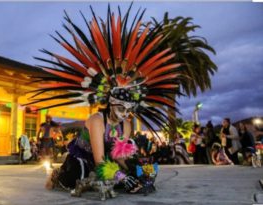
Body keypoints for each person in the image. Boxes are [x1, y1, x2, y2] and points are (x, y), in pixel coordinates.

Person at [28, 6, 182, 196]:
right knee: (82, 171)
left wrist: (135, 170)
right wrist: (123, 178)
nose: (125, 113)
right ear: (110, 103)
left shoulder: (126, 125)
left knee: (132, 170)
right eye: (120, 107)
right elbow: (99, 161)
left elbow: (119, 155)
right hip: (85, 159)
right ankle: (56, 175)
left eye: (129, 109)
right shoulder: (96, 120)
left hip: (107, 159)